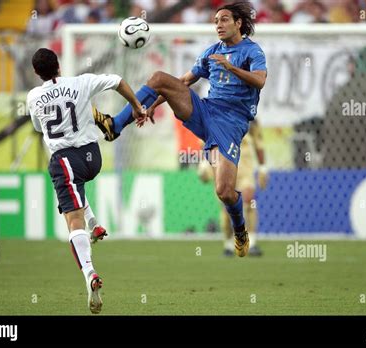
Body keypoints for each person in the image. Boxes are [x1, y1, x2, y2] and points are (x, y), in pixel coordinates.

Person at [94, 1, 267, 257]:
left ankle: (240, 231)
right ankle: (115, 125)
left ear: (239, 23)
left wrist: (231, 67)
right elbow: (184, 81)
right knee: (160, 79)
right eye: (216, 21)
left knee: (225, 192)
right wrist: (151, 105)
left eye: (224, 20)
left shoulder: (252, 52)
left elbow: (260, 81)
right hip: (206, 111)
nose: (218, 25)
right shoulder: (212, 52)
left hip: (231, 124)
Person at [27, 48, 144, 313]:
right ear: (59, 64)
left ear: (36, 72)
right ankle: (95, 223)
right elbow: (117, 81)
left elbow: (37, 126)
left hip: (64, 160)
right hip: (92, 157)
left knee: (72, 221)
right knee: (76, 191)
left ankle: (90, 274)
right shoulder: (81, 82)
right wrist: (137, 106)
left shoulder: (34, 96)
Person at [198, 120, 268, 256]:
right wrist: (204, 165)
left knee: (249, 201)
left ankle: (252, 242)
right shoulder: (213, 114)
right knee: (226, 208)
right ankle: (229, 244)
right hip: (223, 167)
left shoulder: (250, 116)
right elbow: (206, 142)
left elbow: (258, 143)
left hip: (245, 166)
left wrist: (262, 168)